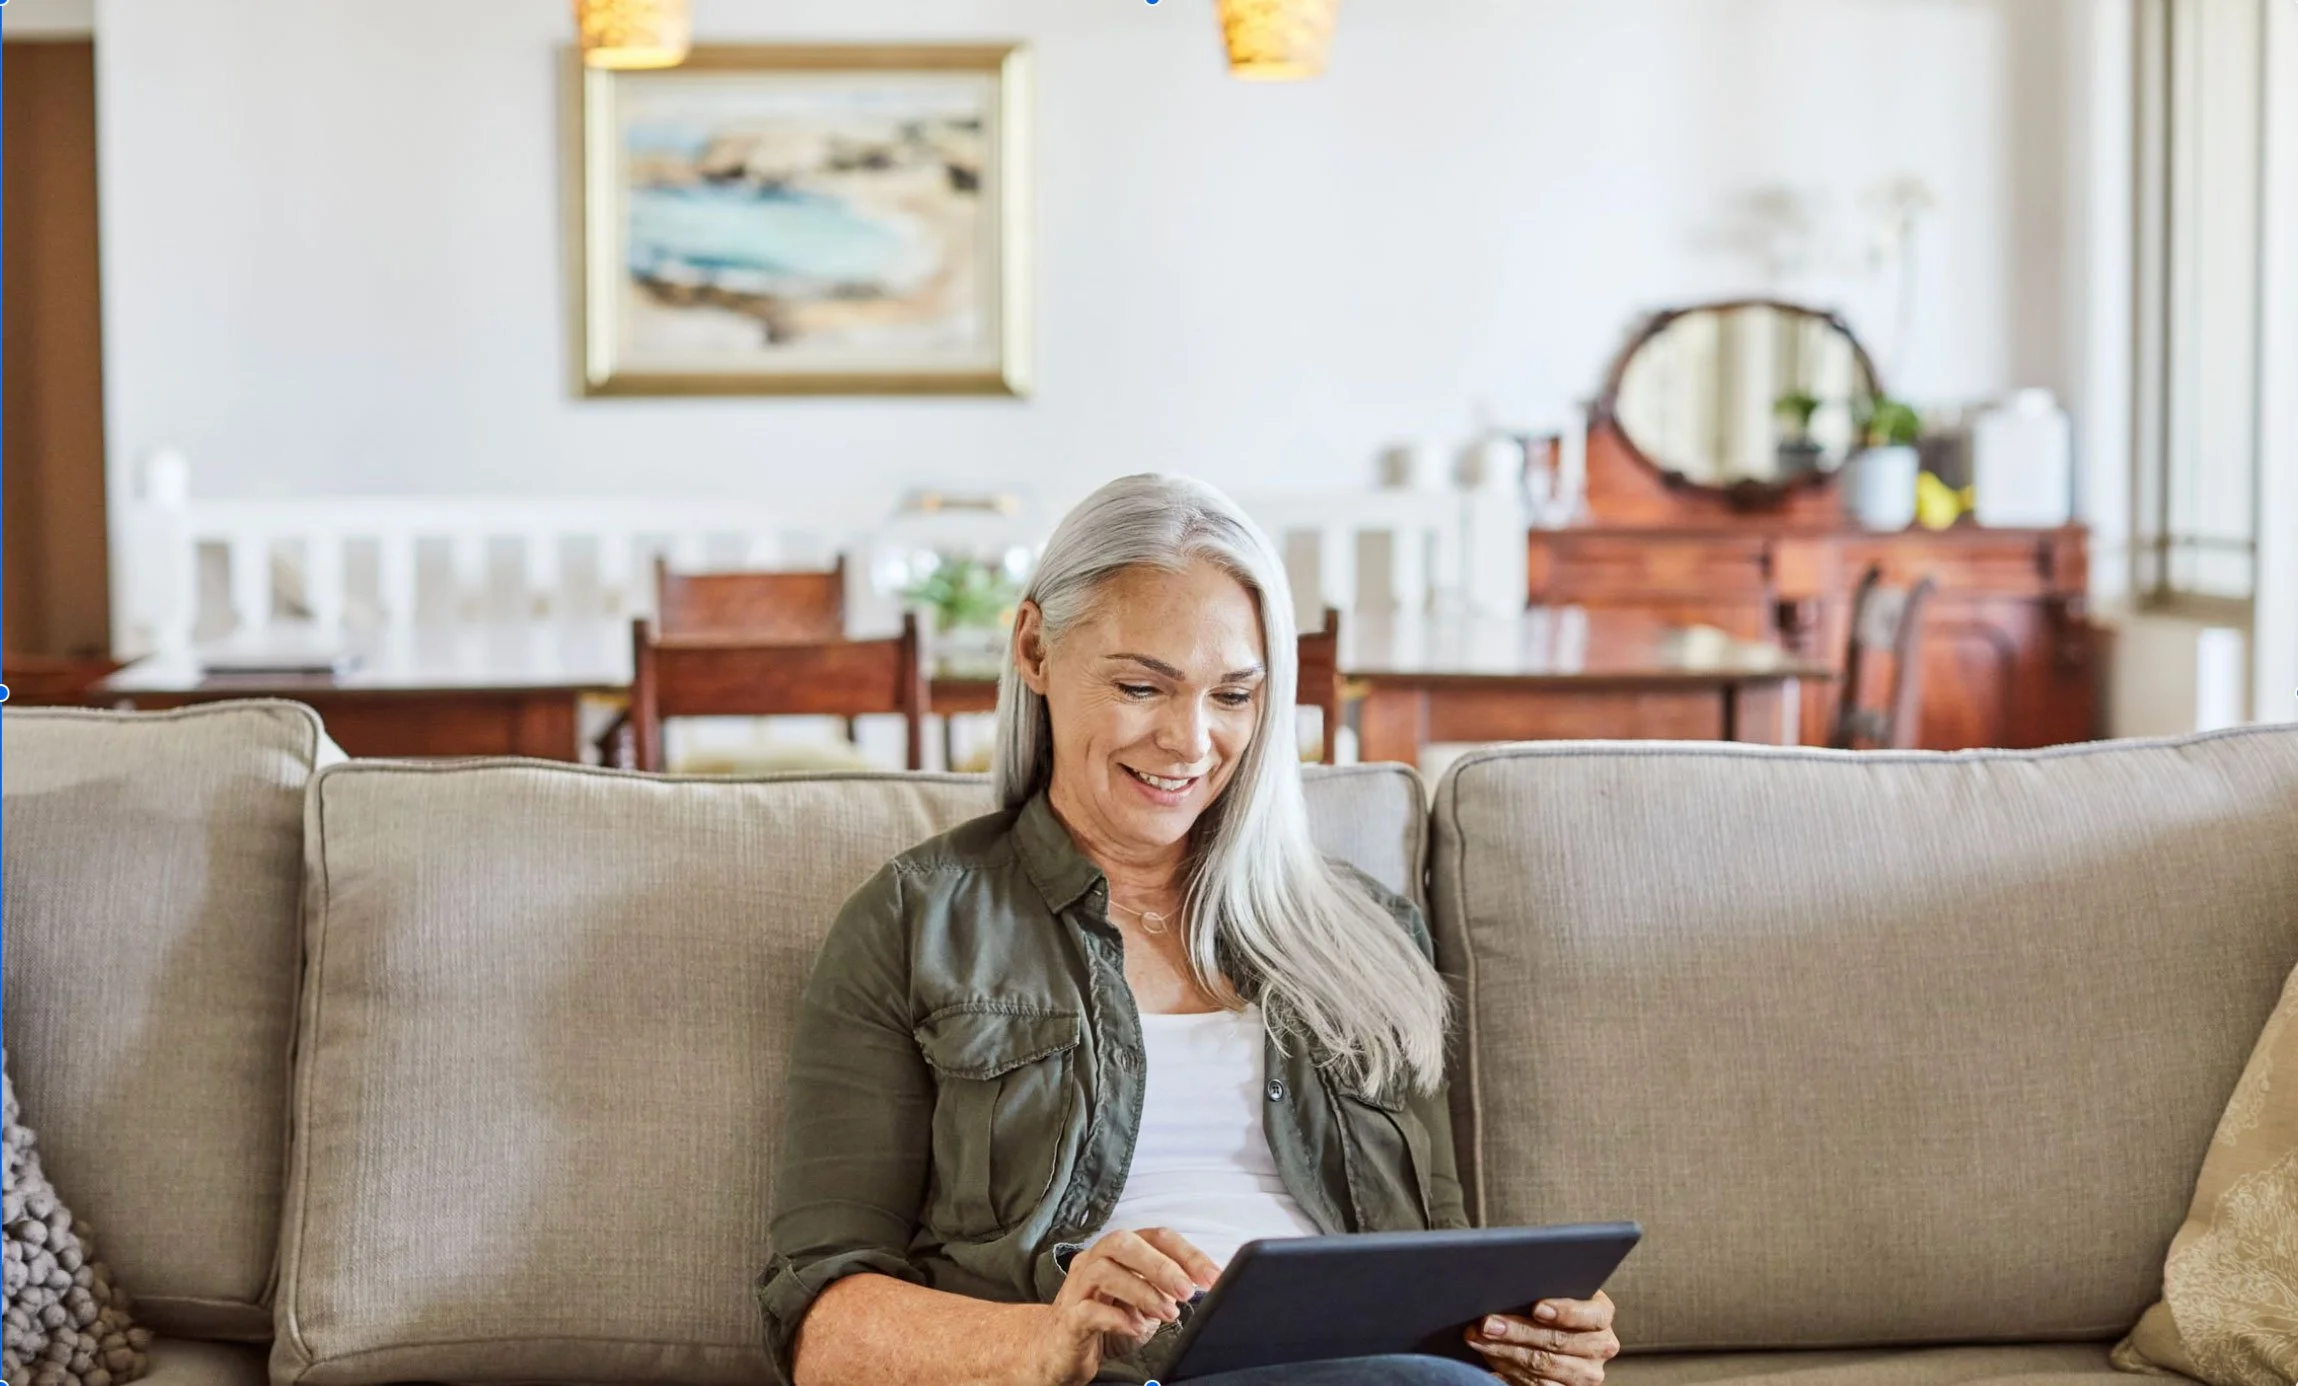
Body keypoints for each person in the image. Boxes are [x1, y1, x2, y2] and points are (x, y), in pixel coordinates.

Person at [759, 474, 1621, 1386]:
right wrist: (1048, 1339)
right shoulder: (918, 921)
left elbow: (1440, 1258)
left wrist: (1520, 1334)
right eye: (1142, 686)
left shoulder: (1367, 935)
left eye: (1235, 697)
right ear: (1035, 650)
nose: (1189, 740)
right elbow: (819, 1315)